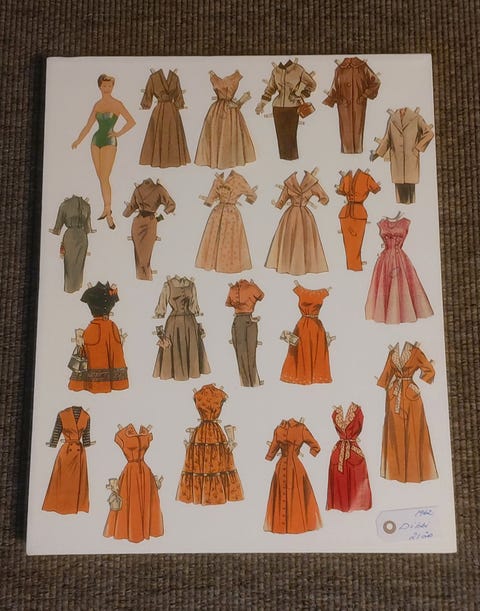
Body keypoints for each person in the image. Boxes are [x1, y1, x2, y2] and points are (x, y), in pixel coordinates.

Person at [71, 74, 136, 229]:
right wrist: (78, 140)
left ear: (113, 87)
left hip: (109, 142)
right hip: (95, 141)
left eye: (110, 85)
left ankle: (108, 210)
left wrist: (118, 133)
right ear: (100, 87)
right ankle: (107, 210)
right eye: (104, 85)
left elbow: (131, 121)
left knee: (105, 177)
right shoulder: (97, 105)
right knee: (101, 177)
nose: (107, 88)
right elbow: (88, 126)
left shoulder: (117, 104)